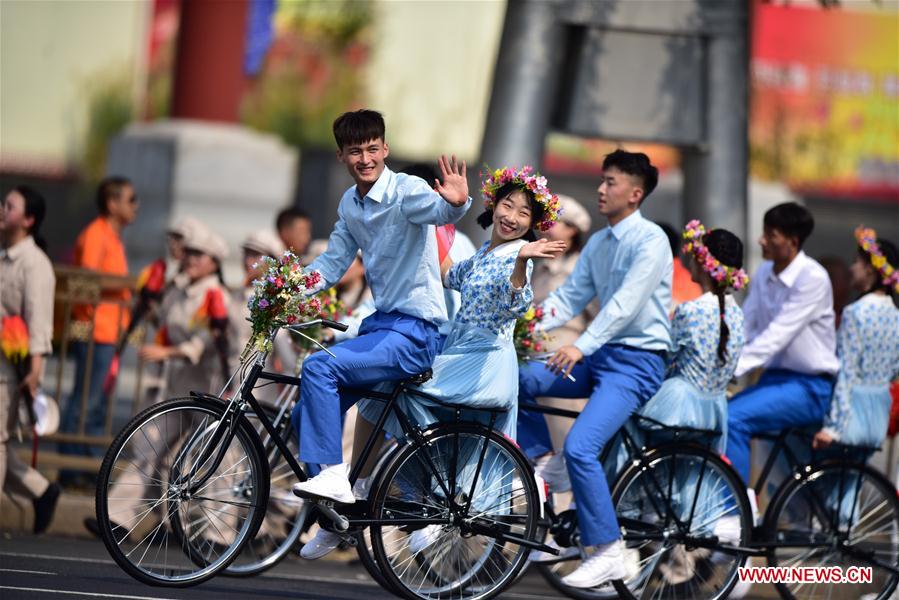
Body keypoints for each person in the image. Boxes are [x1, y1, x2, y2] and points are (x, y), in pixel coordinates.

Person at [302, 166, 565, 559]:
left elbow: (516, 301)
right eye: (507, 205)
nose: (511, 217)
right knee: (380, 391)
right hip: (457, 353)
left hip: (484, 363)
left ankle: (421, 507)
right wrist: (414, 232)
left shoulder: (514, 255)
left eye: (523, 214)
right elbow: (446, 275)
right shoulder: (483, 252)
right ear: (494, 206)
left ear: (533, 224)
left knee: (395, 388)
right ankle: (354, 496)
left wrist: (523, 262)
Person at [288, 109, 470, 508]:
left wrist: (456, 203)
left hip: (416, 333)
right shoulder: (352, 204)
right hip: (382, 329)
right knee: (302, 416)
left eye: (373, 149)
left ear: (385, 149)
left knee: (319, 366)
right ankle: (335, 514)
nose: (365, 159)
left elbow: (439, 210)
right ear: (341, 157)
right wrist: (285, 290)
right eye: (355, 151)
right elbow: (331, 263)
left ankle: (335, 479)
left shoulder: (406, 190)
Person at [516, 150, 672, 588]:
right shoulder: (601, 242)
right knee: (519, 379)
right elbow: (569, 298)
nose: (601, 189)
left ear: (635, 193)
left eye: (611, 182)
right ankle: (547, 458)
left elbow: (624, 306)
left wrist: (581, 346)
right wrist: (521, 323)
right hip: (600, 356)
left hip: (637, 364)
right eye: (602, 181)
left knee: (583, 447)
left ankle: (607, 550)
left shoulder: (651, 241)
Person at [84, 223, 234, 536]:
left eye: (198, 254)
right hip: (178, 387)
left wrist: (169, 353)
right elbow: (163, 322)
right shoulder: (178, 290)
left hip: (211, 389)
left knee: (217, 462)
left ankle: (218, 535)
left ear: (214, 262)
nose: (190, 259)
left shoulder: (217, 295)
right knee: (150, 447)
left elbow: (206, 340)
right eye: (188, 253)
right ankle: (118, 518)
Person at [724, 202, 840, 493]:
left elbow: (777, 335)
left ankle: (731, 512)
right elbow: (746, 324)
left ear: (793, 241)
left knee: (731, 418)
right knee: (719, 414)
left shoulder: (812, 277)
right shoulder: (764, 272)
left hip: (810, 387)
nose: (761, 240)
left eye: (770, 234)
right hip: (776, 382)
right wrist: (721, 355)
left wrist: (733, 367)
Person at [516, 195, 595, 492]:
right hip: (531, 355)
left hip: (563, 361)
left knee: (565, 444)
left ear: (573, 230)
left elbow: (597, 317)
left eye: (557, 221)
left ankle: (563, 515)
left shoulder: (580, 268)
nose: (548, 226)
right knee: (536, 455)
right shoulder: (536, 262)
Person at [60, 176, 138, 461]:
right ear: (112, 203)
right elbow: (87, 279)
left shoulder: (111, 236)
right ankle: (72, 465)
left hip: (109, 331)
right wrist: (127, 284)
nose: (136, 206)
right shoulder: (96, 234)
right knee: (86, 401)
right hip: (96, 330)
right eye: (131, 199)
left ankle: (83, 464)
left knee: (95, 402)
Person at [0, 186, 60, 532]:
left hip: (12, 366)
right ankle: (42, 490)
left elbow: (39, 322)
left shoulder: (35, 264)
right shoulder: (5, 256)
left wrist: (34, 371)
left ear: (28, 219)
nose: (2, 209)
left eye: (10, 206)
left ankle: (42, 491)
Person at [813, 228, 899, 451]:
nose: (852, 269)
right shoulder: (896, 316)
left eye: (856, 263)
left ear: (870, 269)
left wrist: (833, 427)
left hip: (851, 413)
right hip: (878, 411)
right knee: (856, 479)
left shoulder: (855, 312)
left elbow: (847, 373)